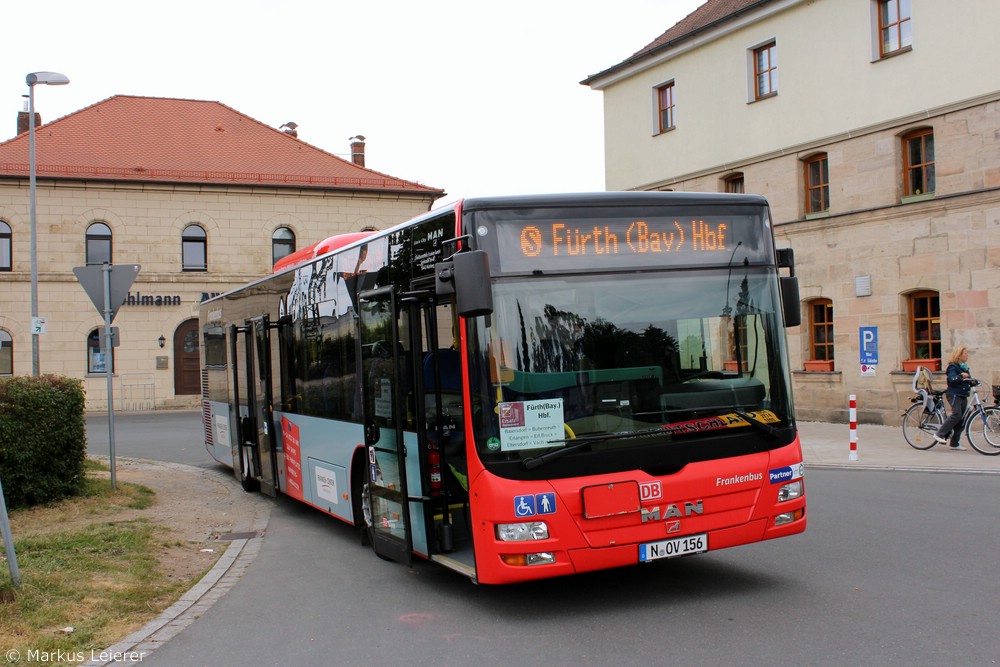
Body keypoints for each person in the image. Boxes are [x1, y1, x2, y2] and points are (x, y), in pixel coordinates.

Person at [933, 346, 974, 450]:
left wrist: (972, 381)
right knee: (956, 415)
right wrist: (961, 376)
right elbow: (951, 379)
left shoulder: (964, 367)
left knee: (961, 419)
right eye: (965, 353)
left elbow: (967, 380)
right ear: (959, 356)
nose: (967, 355)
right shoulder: (953, 367)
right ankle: (939, 434)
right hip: (954, 394)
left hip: (963, 394)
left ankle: (955, 443)